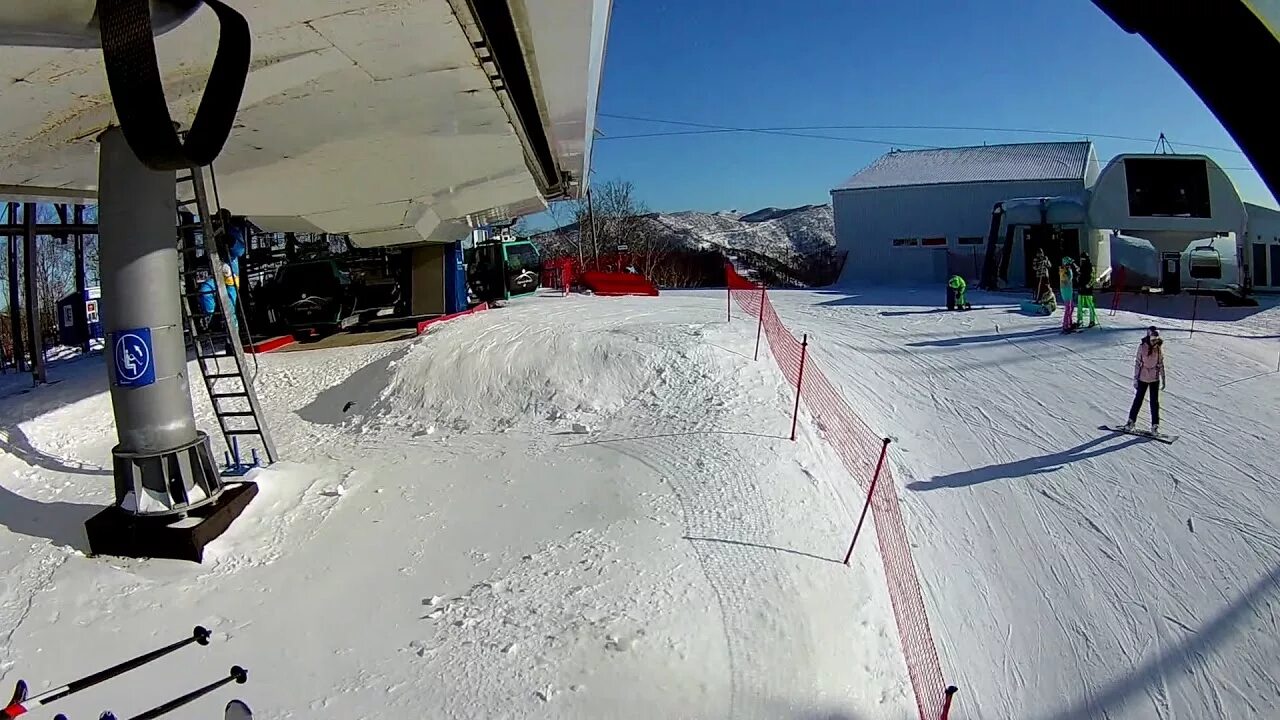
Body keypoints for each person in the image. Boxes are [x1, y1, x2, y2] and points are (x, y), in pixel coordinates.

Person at [1123, 327, 1166, 434]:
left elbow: (1160, 364)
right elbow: (1138, 363)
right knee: (1138, 400)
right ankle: (1131, 421)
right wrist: (1136, 378)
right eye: (1152, 339)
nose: (1154, 342)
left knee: (1154, 403)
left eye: (1156, 339)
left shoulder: (1158, 349)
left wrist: (1163, 378)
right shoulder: (1142, 347)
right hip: (1143, 377)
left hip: (1154, 379)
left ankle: (1155, 425)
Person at [1075, 252, 1098, 328]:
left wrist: (1088, 285)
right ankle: (1080, 319)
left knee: (1090, 305)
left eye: (1083, 258)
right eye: (1081, 259)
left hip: (1087, 289)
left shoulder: (1090, 266)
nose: (1082, 260)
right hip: (1081, 288)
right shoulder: (1082, 266)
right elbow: (1079, 274)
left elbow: (1093, 277)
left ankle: (1092, 320)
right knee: (1080, 305)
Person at [1058, 257, 1076, 333]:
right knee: (1068, 307)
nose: (1070, 264)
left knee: (1071, 307)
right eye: (1069, 263)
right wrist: (1067, 273)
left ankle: (1069, 322)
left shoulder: (1068, 269)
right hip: (1065, 289)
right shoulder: (1063, 270)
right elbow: (1065, 279)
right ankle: (1065, 325)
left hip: (1069, 288)